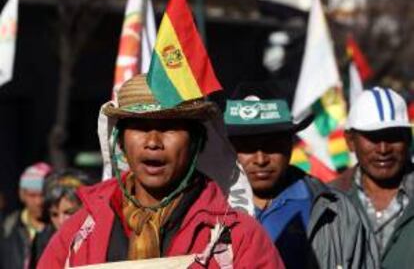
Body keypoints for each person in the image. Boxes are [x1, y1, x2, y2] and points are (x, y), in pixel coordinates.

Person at [38, 75, 284, 268]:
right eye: (140, 127)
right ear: (121, 142)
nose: (153, 141)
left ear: (197, 142)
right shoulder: (78, 232)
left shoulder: (238, 238)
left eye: (170, 127)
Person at [224, 83, 379, 268]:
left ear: (290, 145)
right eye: (247, 146)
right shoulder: (207, 211)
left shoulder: (337, 212)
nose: (260, 159)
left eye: (272, 144)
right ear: (229, 148)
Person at [331, 87, 414, 268]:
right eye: (372, 137)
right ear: (350, 141)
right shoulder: (328, 200)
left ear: (408, 139)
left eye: (392, 136)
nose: (383, 149)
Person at [29, 168, 94, 268]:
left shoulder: (100, 236)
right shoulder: (42, 241)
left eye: (69, 212)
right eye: (54, 214)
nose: (61, 221)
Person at [0, 162, 51, 269]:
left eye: (43, 195)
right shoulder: (6, 228)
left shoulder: (59, 227)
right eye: (32, 195)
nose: (39, 201)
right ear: (22, 194)